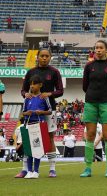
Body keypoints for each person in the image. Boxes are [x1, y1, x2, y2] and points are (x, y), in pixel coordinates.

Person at [80, 40, 107, 178]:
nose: (98, 50)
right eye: (96, 48)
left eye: (101, 48)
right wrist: (93, 94)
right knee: (90, 135)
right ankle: (87, 168)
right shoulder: (89, 66)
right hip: (91, 103)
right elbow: (84, 86)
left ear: (106, 50)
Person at [21, 48, 63, 177]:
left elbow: (60, 91)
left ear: (50, 57)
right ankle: (25, 170)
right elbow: (23, 90)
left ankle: (52, 169)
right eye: (42, 56)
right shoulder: (31, 72)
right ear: (37, 57)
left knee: (50, 138)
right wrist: (25, 94)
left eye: (46, 56)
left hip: (49, 111)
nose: (44, 58)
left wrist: (49, 93)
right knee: (28, 139)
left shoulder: (54, 72)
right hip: (32, 110)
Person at [21, 75, 52, 178]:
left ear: (40, 85)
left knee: (37, 148)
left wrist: (42, 112)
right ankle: (29, 171)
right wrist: (27, 113)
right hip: (28, 124)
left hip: (38, 125)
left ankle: (36, 171)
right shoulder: (27, 98)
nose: (32, 86)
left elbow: (50, 110)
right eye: (31, 84)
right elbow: (22, 112)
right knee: (29, 149)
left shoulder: (43, 97)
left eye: (34, 84)